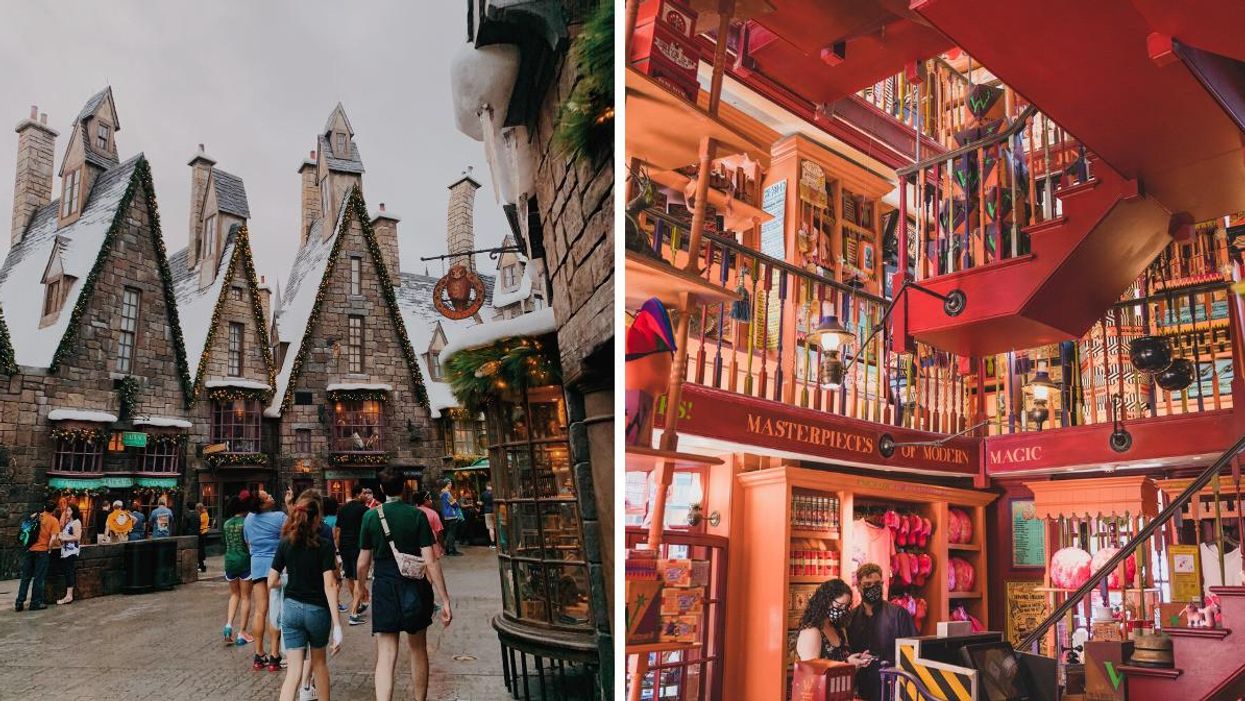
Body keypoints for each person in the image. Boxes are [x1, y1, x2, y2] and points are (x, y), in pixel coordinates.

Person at [358, 469, 453, 701]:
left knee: (386, 653)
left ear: (381, 490)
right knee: (418, 648)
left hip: (384, 585)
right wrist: (445, 599)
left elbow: (362, 562)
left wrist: (360, 588)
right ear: (404, 488)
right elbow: (430, 561)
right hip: (414, 585)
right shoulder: (417, 515)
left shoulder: (370, 517)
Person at [269, 490, 342, 701]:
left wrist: (291, 579)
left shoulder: (285, 543)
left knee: (293, 672)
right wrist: (337, 625)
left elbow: (271, 581)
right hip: (317, 609)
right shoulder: (324, 545)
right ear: (317, 517)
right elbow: (329, 584)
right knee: (319, 664)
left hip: (291, 607)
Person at [846, 563, 917, 700]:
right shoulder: (850, 619)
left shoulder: (899, 615)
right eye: (868, 584)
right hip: (861, 690)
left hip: (892, 689)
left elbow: (912, 655)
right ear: (859, 586)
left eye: (877, 583)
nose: (873, 587)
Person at [245, 489, 289, 672]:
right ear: (263, 504)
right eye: (267, 496)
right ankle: (274, 654)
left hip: (256, 564)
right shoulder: (280, 517)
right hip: (275, 565)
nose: (271, 496)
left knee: (259, 611)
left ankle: (258, 654)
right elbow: (288, 539)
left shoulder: (248, 519)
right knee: (276, 610)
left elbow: (248, 542)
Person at [796, 578, 873, 669]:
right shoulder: (812, 631)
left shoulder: (839, 629)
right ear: (825, 602)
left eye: (846, 607)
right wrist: (847, 663)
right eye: (839, 606)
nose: (842, 611)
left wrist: (857, 662)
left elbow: (845, 669)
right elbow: (811, 673)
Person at [14, 501, 60, 611]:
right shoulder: (53, 521)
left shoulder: (35, 515)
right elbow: (53, 538)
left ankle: (19, 602)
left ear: (44, 507)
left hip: (30, 550)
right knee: (39, 578)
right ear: (54, 510)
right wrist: (49, 549)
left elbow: (26, 526)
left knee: (25, 578)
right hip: (42, 551)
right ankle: (35, 602)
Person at [334, 485, 370, 625]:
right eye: (364, 493)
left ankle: (359, 603)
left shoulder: (342, 509)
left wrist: (338, 546)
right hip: (358, 546)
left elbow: (338, 530)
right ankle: (354, 613)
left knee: (350, 577)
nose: (366, 496)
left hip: (344, 546)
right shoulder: (364, 510)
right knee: (358, 580)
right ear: (357, 494)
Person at [222, 496, 254, 646]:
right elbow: (248, 544)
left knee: (234, 594)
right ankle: (242, 632)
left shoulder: (226, 523)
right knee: (246, 597)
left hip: (229, 561)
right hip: (244, 561)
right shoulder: (246, 523)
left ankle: (228, 626)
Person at [56, 503, 83, 605]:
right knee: (67, 571)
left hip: (72, 551)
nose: (66, 513)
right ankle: (68, 595)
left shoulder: (76, 522)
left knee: (69, 571)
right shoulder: (69, 522)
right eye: (66, 510)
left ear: (73, 512)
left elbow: (77, 537)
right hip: (66, 550)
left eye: (69, 511)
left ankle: (69, 595)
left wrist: (64, 538)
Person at [415, 491, 445, 560]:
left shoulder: (413, 512)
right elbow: (439, 533)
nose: (431, 501)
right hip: (430, 546)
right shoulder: (433, 513)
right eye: (430, 499)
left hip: (415, 546)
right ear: (425, 500)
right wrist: (442, 546)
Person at [440, 480, 464, 556]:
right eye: (450, 483)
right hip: (451, 515)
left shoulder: (442, 493)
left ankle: (448, 549)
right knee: (452, 533)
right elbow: (453, 504)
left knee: (449, 533)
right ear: (447, 484)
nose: (451, 484)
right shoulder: (447, 493)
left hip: (446, 515)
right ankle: (451, 550)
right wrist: (456, 502)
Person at [481, 483, 495, 548]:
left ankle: (493, 543)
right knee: (497, 527)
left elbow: (481, 502)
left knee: (491, 528)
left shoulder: (483, 494)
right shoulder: (495, 492)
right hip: (495, 511)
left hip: (487, 512)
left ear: (486, 486)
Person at [197, 502, 211, 572]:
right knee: (201, 549)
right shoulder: (203, 514)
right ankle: (201, 564)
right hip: (202, 532)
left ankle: (202, 565)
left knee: (201, 549)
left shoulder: (204, 514)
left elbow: (200, 522)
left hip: (203, 532)